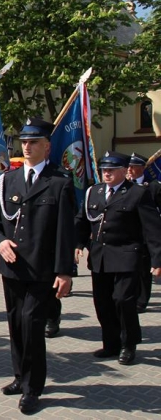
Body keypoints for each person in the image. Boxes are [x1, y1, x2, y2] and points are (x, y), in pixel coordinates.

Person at [0, 117, 75, 414]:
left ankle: (33, 388)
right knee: (16, 324)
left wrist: (65, 271)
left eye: (33, 142)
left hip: (41, 269)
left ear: (47, 146)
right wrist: (0, 242)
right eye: (23, 141)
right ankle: (20, 376)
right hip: (12, 267)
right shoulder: (7, 180)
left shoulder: (59, 182)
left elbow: (64, 231)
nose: (26, 146)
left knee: (32, 324)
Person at [75, 151, 161, 365]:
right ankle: (111, 343)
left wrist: (157, 260)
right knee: (102, 303)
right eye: (104, 169)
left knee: (123, 301)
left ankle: (129, 344)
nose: (107, 173)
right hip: (100, 257)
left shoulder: (137, 193)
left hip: (126, 255)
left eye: (112, 170)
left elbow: (152, 228)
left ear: (124, 171)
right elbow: (82, 221)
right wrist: (77, 244)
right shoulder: (94, 192)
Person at [126, 152, 161, 313]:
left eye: (133, 166)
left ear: (142, 168)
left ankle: (141, 301)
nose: (130, 169)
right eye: (128, 166)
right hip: (128, 234)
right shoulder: (125, 185)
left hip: (146, 235)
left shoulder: (153, 186)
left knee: (143, 270)